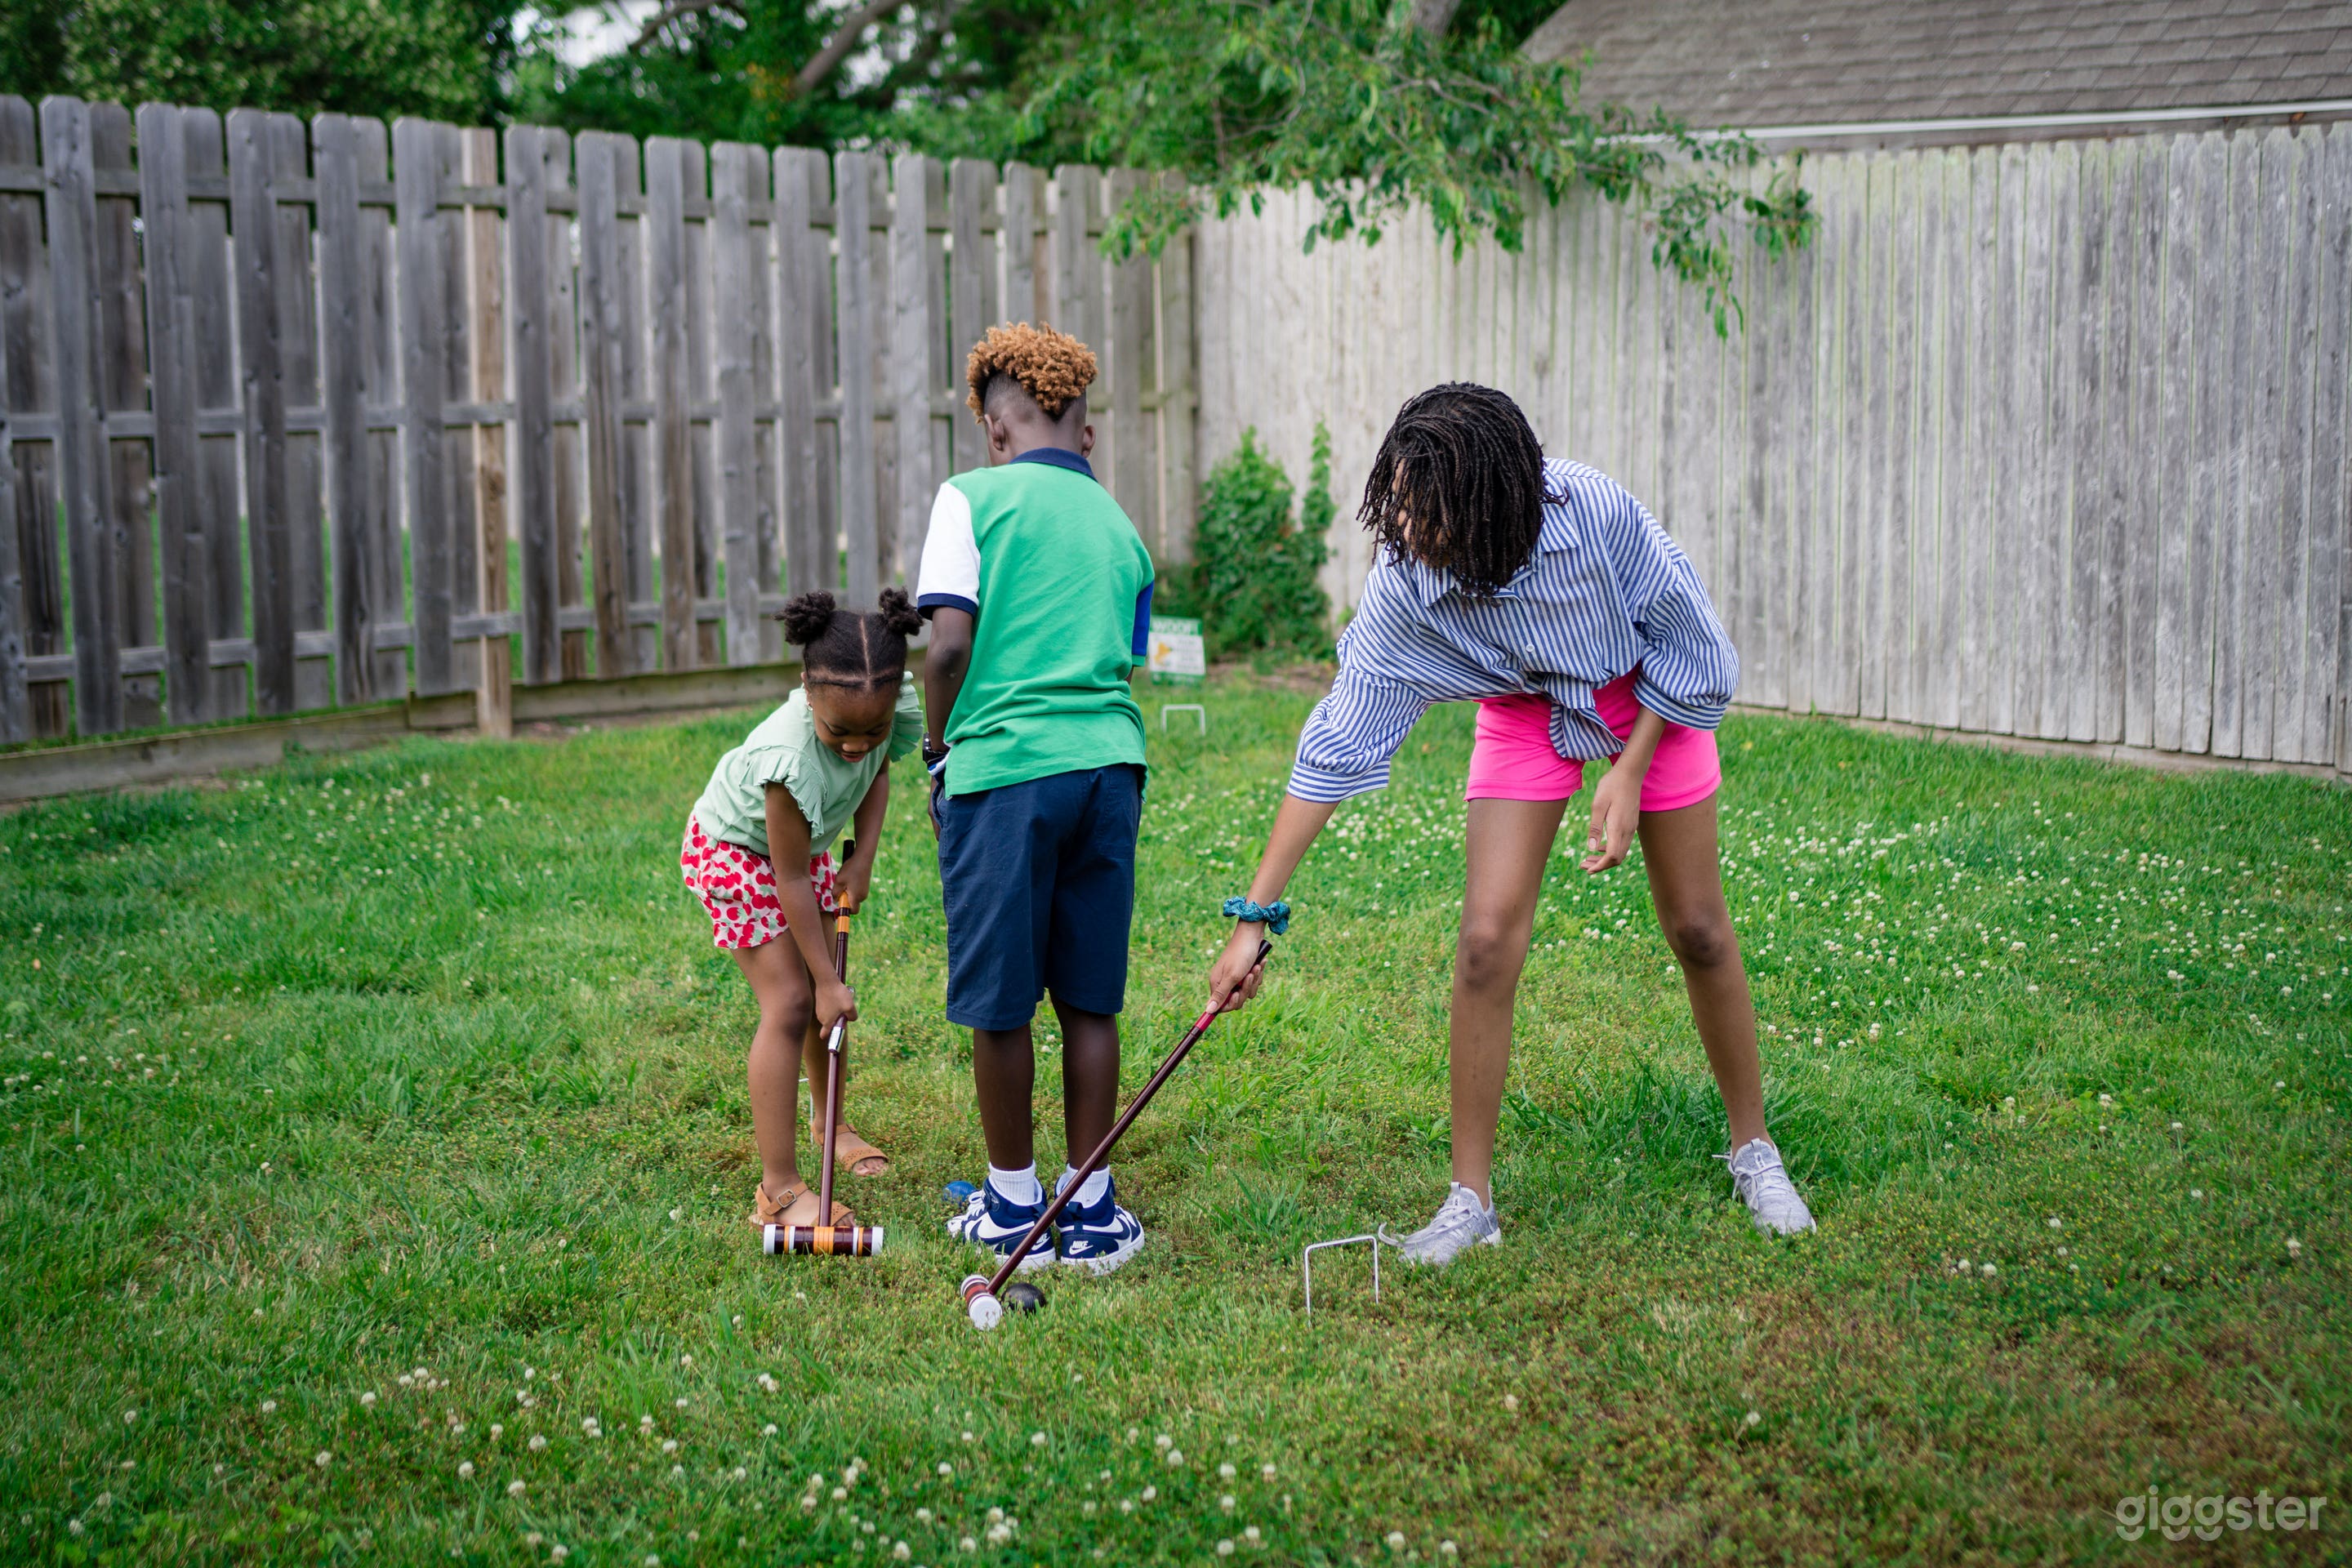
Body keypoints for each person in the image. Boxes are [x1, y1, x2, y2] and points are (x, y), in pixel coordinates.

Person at [1206, 382, 1815, 1263]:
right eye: (1400, 504)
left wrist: (1630, 769)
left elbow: (1695, 642)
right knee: (1486, 941)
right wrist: (1252, 920)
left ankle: (1754, 1149)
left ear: (1496, 507)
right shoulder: (1407, 582)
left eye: (1431, 513)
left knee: (1698, 928)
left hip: (1649, 692)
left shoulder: (1593, 515)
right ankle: (1470, 1202)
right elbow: (1339, 740)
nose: (1408, 530)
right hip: (1526, 707)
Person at [918, 322, 1156, 1275]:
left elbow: (944, 646)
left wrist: (939, 748)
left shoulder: (969, 499)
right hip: (1109, 771)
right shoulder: (1124, 531)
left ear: (993, 427)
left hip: (1005, 775)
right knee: (1089, 999)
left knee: (1002, 1000)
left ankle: (1014, 1206)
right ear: (1086, 434)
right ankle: (1092, 1208)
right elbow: (1124, 659)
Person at [679, 589, 924, 1239]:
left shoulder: (884, 703)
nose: (857, 744)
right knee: (794, 1001)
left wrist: (863, 859)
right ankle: (781, 1189)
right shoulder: (787, 764)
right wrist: (824, 980)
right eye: (839, 732)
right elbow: (788, 877)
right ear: (807, 692)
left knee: (824, 1002)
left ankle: (830, 1123)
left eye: (871, 729)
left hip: (802, 845)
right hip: (739, 851)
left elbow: (877, 774)